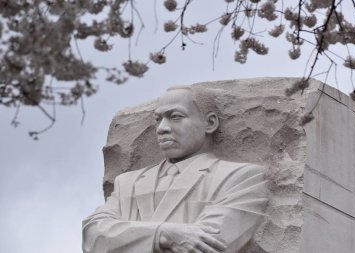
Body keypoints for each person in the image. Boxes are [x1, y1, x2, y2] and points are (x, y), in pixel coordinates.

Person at [82, 86, 268, 253]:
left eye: (175, 117)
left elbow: (211, 244)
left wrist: (128, 239)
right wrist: (164, 234)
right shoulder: (128, 183)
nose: (161, 128)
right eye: (158, 119)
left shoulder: (240, 177)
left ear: (210, 123)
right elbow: (94, 236)